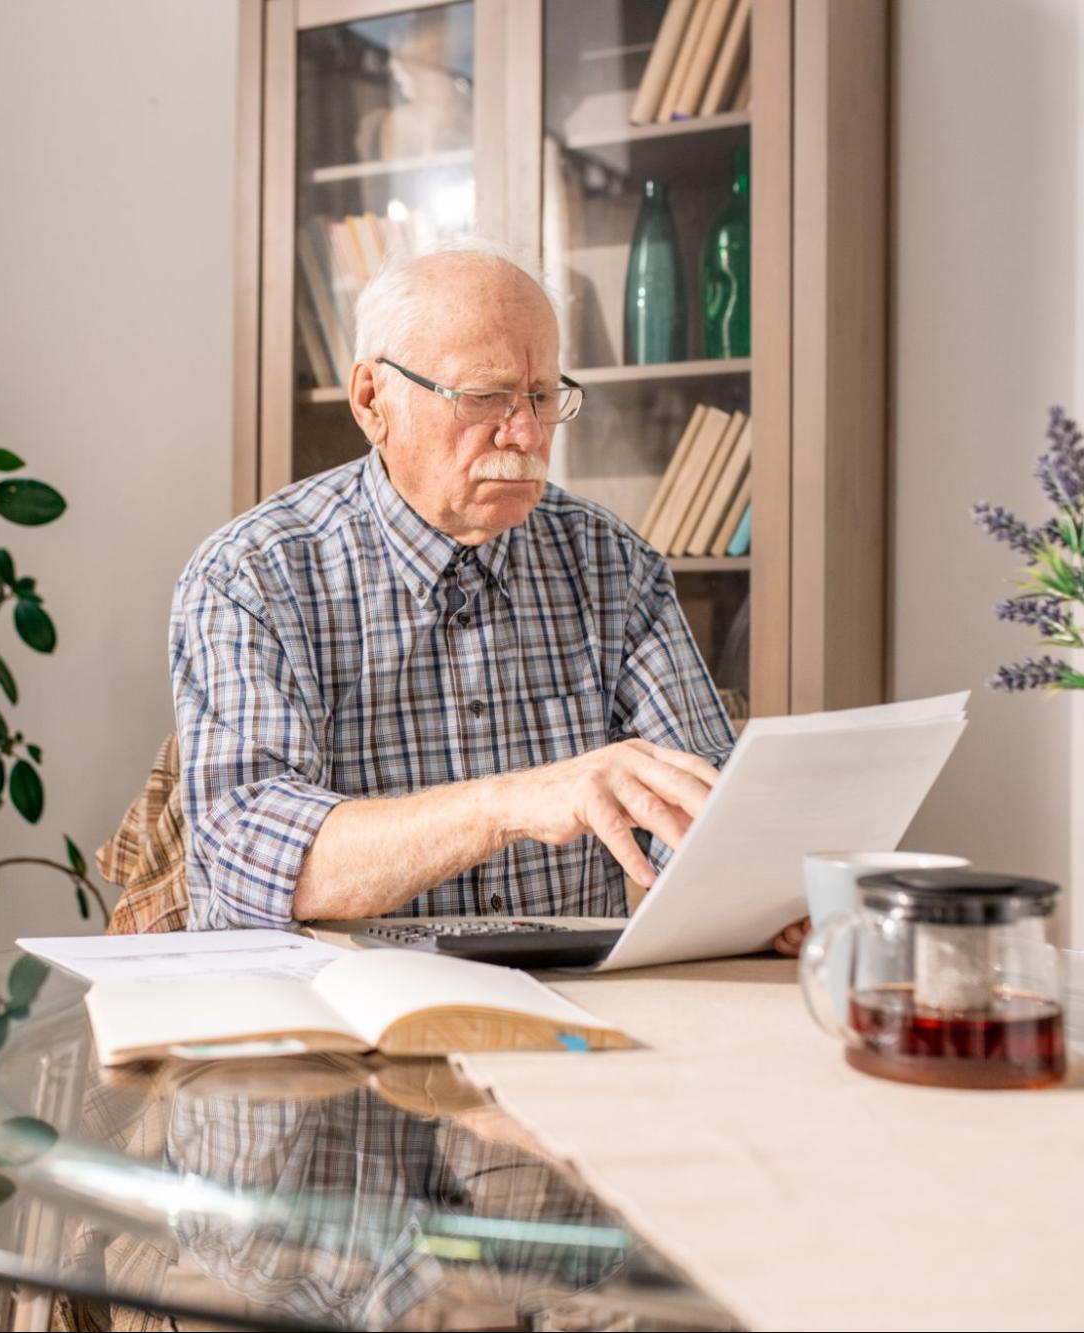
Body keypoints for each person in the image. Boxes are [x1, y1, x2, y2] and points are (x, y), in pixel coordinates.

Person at [170, 238, 805, 954]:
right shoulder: (253, 576)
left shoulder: (611, 564)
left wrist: (756, 888)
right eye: (483, 397)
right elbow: (253, 857)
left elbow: (696, 810)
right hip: (330, 1023)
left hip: (565, 1025)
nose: (528, 433)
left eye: (540, 395)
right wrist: (508, 802)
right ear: (371, 399)